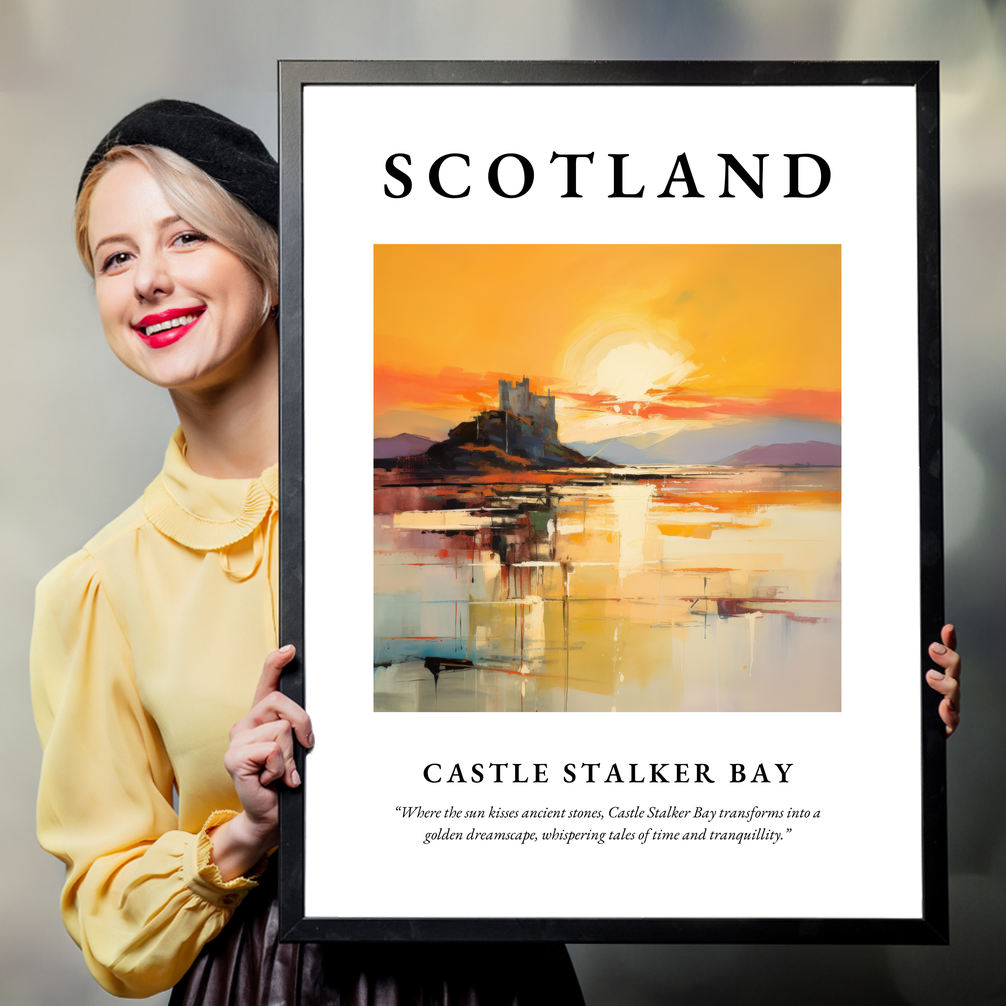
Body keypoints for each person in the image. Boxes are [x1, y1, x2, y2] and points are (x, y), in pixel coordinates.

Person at [30, 100, 585, 1004]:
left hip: (492, 973)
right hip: (264, 982)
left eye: (186, 239)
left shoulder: (443, 504)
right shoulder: (97, 587)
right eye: (116, 257)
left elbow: (607, 723)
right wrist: (245, 832)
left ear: (273, 264)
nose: (148, 281)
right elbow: (110, 923)